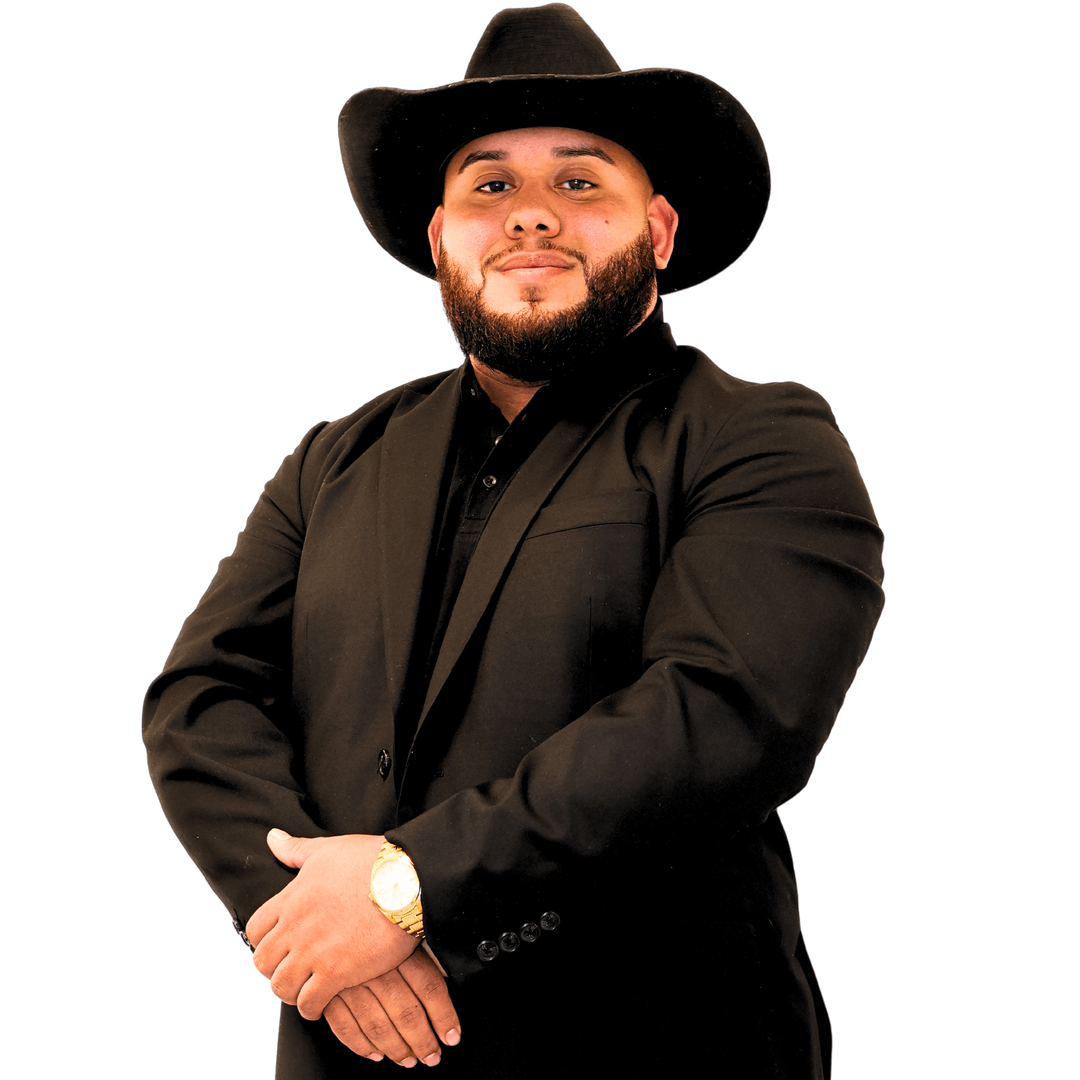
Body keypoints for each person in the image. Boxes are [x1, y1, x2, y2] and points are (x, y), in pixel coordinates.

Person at [144, 5, 884, 1077]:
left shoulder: (759, 435)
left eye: (580, 183)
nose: (531, 216)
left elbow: (724, 713)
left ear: (660, 232)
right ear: (441, 237)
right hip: (356, 1045)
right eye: (490, 187)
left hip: (667, 1045)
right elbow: (200, 701)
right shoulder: (333, 460)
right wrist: (313, 925)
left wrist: (404, 888)